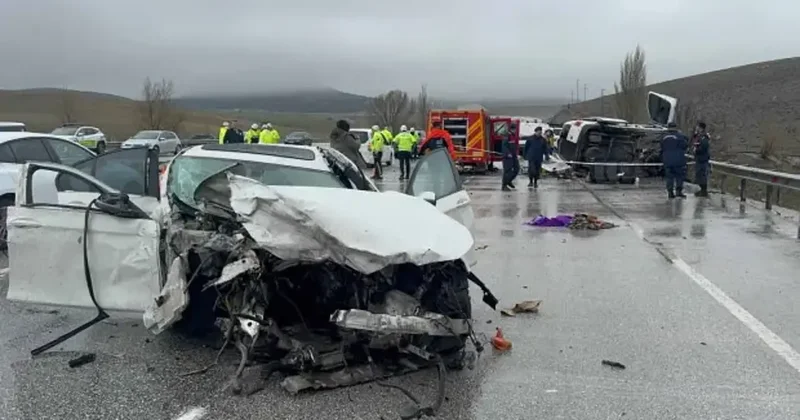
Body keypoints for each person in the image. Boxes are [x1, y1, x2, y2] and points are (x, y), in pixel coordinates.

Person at [660, 122, 689, 199]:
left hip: (667, 160)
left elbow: (661, 147)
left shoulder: (663, 137)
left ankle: (670, 193)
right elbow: (685, 146)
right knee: (679, 176)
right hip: (678, 160)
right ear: (676, 127)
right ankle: (678, 192)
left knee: (669, 177)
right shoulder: (680, 136)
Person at [694, 121, 711, 197]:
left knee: (702, 174)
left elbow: (704, 147)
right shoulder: (698, 136)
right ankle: (701, 189)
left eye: (697, 127)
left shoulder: (704, 137)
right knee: (699, 175)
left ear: (701, 128)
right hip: (699, 158)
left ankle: (704, 191)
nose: (696, 128)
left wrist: (696, 150)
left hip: (702, 158)